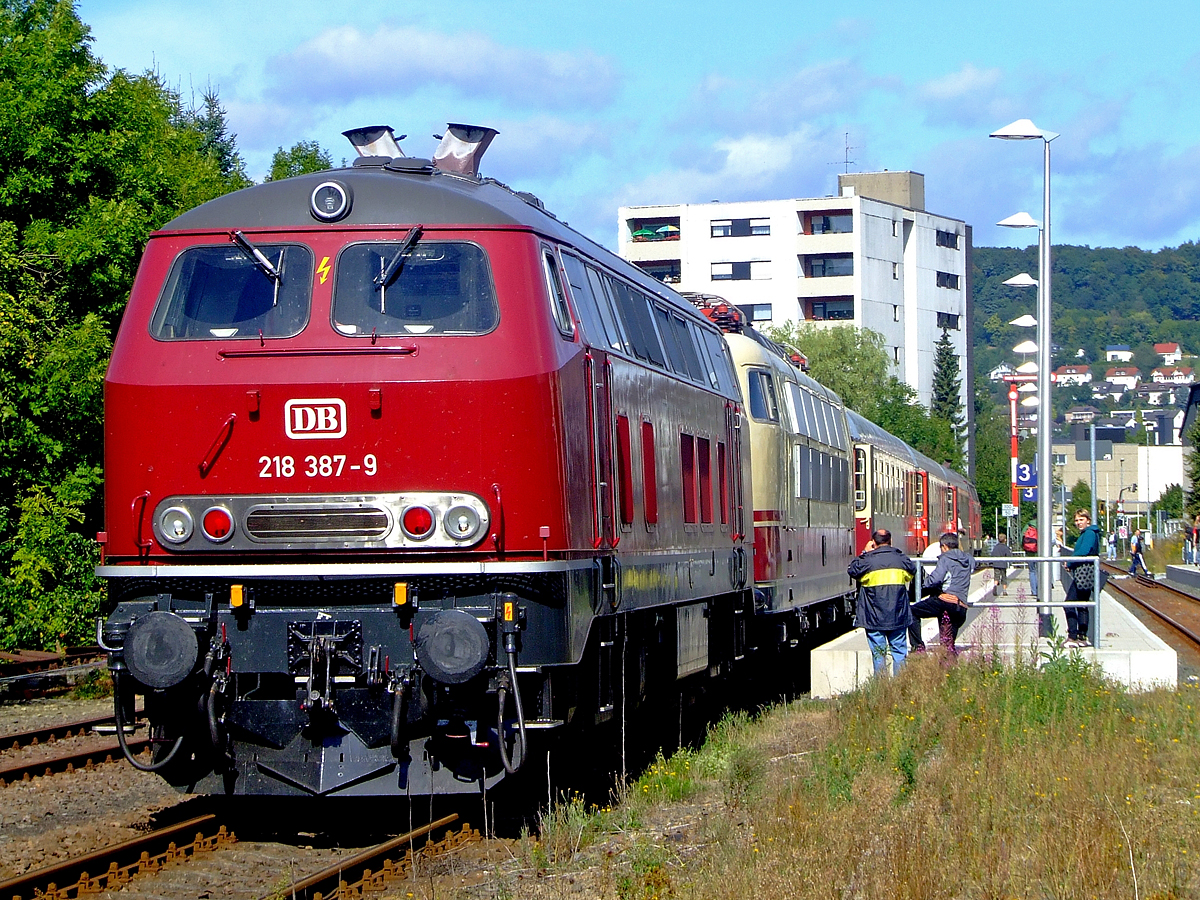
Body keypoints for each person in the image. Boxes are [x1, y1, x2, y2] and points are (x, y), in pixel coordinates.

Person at [848, 528, 916, 676]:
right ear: (891, 542)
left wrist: (865, 553)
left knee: (878, 654)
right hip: (898, 615)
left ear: (873, 543)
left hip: (873, 616)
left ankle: (881, 687)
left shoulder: (867, 561)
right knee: (899, 652)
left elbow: (853, 570)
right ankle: (900, 686)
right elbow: (911, 571)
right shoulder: (901, 560)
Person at [909, 532, 973, 653]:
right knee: (947, 644)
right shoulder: (968, 559)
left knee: (911, 612)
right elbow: (974, 564)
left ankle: (918, 648)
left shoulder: (945, 559)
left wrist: (924, 584)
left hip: (945, 602)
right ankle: (949, 668)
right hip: (961, 607)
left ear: (944, 546)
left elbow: (936, 579)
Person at [1062, 508, 1102, 646]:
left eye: (1081, 519)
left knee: (1069, 603)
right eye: (1077, 520)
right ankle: (1082, 637)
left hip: (1084, 573)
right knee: (1082, 605)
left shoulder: (1089, 533)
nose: (1079, 523)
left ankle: (1073, 636)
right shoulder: (1088, 533)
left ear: (1088, 520)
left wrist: (1070, 561)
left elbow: (1084, 551)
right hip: (1085, 572)